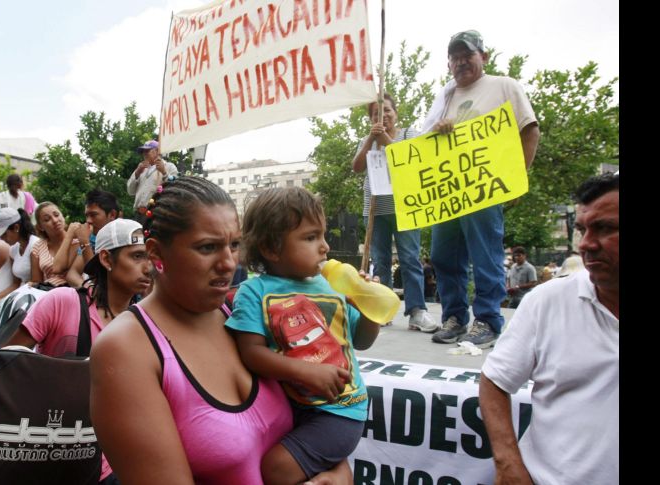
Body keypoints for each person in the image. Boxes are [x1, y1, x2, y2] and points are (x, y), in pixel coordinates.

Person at [90, 176, 350, 484]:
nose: (228, 263)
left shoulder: (247, 316)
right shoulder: (125, 349)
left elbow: (325, 436)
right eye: (208, 247)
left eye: (235, 245)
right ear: (156, 253)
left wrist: (338, 476)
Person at [0, 218, 151, 485]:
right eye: (138, 256)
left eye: (151, 257)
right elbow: (0, 362)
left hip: (104, 465)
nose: (149, 267)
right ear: (106, 259)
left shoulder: (145, 324)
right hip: (40, 450)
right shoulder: (62, 302)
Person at [226, 187, 380, 484]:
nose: (324, 247)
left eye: (322, 235)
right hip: (290, 409)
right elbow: (251, 352)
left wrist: (370, 308)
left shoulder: (331, 288)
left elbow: (361, 340)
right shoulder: (254, 291)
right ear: (272, 248)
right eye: (311, 238)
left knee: (277, 469)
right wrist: (306, 371)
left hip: (340, 411)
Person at [479, 173, 619, 485]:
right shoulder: (547, 301)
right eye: (582, 229)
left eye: (606, 228)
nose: (585, 244)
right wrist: (508, 464)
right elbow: (494, 380)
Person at [421, 30, 540, 347]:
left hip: (484, 189)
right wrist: (438, 131)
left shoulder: (504, 86)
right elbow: (426, 147)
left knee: (485, 254)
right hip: (448, 192)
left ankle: (487, 319)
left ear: (483, 57)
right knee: (443, 256)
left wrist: (519, 178)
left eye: (467, 56)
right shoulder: (444, 99)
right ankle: (455, 317)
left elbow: (529, 131)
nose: (461, 63)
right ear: (449, 64)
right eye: (455, 58)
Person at [352, 93, 437, 332]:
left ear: (395, 112)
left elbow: (412, 159)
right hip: (376, 208)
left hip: (405, 206)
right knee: (380, 261)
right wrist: (371, 139)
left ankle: (417, 311)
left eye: (387, 111)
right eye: (376, 114)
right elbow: (357, 167)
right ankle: (383, 309)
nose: (383, 116)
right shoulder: (366, 140)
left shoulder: (409, 134)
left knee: (410, 258)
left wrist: (386, 139)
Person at [0, 208, 41, 309]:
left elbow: (36, 284)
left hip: (33, 299)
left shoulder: (35, 245)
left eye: (3, 234)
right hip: (20, 296)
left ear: (16, 227)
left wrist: (3, 300)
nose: (1, 239)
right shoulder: (13, 250)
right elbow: (15, 284)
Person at [52, 189, 120, 280]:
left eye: (93, 215)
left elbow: (97, 277)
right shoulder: (92, 238)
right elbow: (72, 273)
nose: (88, 221)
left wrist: (84, 242)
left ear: (112, 214)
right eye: (87, 215)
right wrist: (87, 289)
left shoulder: (122, 239)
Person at [29, 202, 81, 288]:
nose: (55, 220)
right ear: (40, 227)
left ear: (63, 216)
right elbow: (36, 281)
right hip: (47, 293)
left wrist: (69, 236)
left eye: (56, 215)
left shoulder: (77, 241)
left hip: (73, 291)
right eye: (47, 219)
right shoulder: (37, 247)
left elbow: (60, 269)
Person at [126, 140, 179, 222]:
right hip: (138, 215)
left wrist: (164, 172)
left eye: (147, 151)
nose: (144, 154)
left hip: (156, 214)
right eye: (143, 152)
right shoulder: (141, 168)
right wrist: (137, 173)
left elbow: (175, 187)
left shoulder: (169, 166)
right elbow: (130, 191)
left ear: (157, 151)